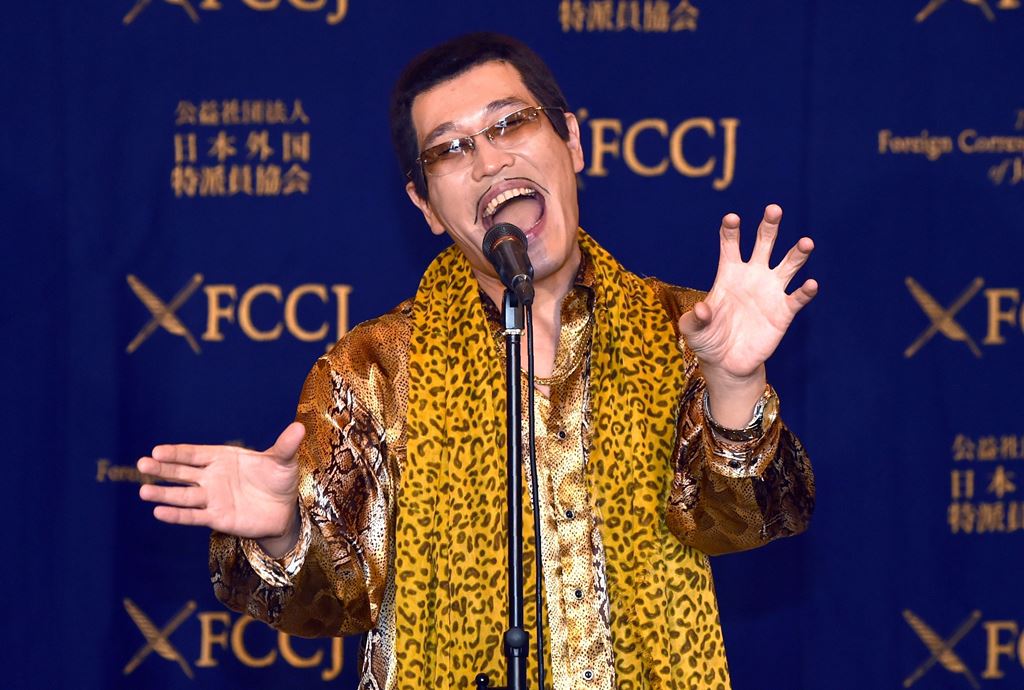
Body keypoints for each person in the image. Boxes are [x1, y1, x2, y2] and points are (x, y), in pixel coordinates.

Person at [138, 33, 817, 690]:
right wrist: (286, 532)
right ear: (426, 205)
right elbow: (333, 598)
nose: (489, 162)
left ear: (572, 140)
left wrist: (734, 383)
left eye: (510, 124)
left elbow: (742, 522)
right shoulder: (374, 368)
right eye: (450, 149)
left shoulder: (685, 329)